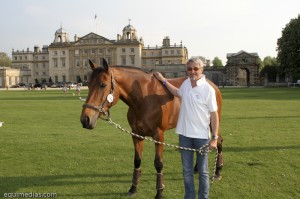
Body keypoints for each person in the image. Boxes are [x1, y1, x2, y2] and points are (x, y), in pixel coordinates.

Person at [154, 57, 219, 199]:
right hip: (184, 136)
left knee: (203, 171)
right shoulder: (186, 84)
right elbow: (177, 93)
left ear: (202, 69)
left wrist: (214, 138)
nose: (192, 71)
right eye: (189, 69)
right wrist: (163, 80)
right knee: (187, 171)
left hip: (202, 137)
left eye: (196, 68)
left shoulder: (208, 89)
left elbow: (214, 115)